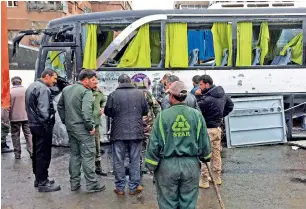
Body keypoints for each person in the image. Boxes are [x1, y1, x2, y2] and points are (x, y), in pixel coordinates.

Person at [145, 81, 211, 209]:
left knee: (168, 202)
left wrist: (151, 165)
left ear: (171, 96)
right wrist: (205, 157)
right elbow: (204, 142)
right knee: (188, 202)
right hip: (191, 166)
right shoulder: (197, 115)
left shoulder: (162, 116)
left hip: (167, 166)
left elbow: (154, 143)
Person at [57, 69, 105, 193]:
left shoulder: (67, 89)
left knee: (75, 155)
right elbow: (86, 112)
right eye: (93, 79)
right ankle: (92, 184)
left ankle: (74, 183)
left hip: (71, 128)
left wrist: (65, 121)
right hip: (83, 129)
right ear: (86, 80)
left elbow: (60, 106)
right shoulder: (86, 91)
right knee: (88, 155)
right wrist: (90, 127)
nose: (95, 81)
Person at [104, 74, 148, 196]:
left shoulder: (113, 95)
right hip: (136, 132)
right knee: (135, 160)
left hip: (118, 132)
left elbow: (108, 111)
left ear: (119, 83)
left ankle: (120, 188)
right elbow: (145, 110)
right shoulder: (140, 94)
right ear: (130, 82)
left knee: (118, 160)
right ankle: (134, 187)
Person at [25, 68, 60, 192]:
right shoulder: (43, 89)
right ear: (47, 76)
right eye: (54, 78)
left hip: (34, 124)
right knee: (44, 154)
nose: (55, 81)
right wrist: (49, 120)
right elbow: (44, 111)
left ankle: (39, 178)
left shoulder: (32, 86)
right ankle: (42, 182)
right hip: (42, 126)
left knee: (37, 153)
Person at [197, 74, 234, 189]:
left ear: (207, 84)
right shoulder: (222, 95)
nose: (200, 87)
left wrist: (198, 96)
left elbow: (196, 110)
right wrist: (221, 115)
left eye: (201, 84)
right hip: (217, 128)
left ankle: (204, 180)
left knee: (205, 155)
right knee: (216, 154)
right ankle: (217, 178)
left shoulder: (206, 100)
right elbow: (230, 105)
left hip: (207, 129)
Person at [131, 74, 161, 179]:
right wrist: (158, 120)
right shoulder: (147, 94)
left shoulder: (131, 94)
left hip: (135, 124)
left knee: (136, 148)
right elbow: (156, 107)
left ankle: (138, 169)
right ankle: (151, 168)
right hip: (148, 125)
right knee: (150, 147)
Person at [10, 76, 33, 159]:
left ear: (12, 82)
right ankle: (32, 151)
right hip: (27, 116)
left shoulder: (10, 92)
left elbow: (7, 107)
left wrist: (5, 119)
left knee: (15, 135)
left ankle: (17, 154)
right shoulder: (27, 90)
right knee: (28, 134)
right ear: (21, 82)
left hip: (14, 117)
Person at [92, 85, 108, 176]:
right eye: (93, 80)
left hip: (96, 123)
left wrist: (102, 107)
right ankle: (87, 169)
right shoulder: (84, 92)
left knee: (97, 145)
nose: (95, 83)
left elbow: (103, 100)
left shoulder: (99, 93)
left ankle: (98, 167)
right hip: (84, 124)